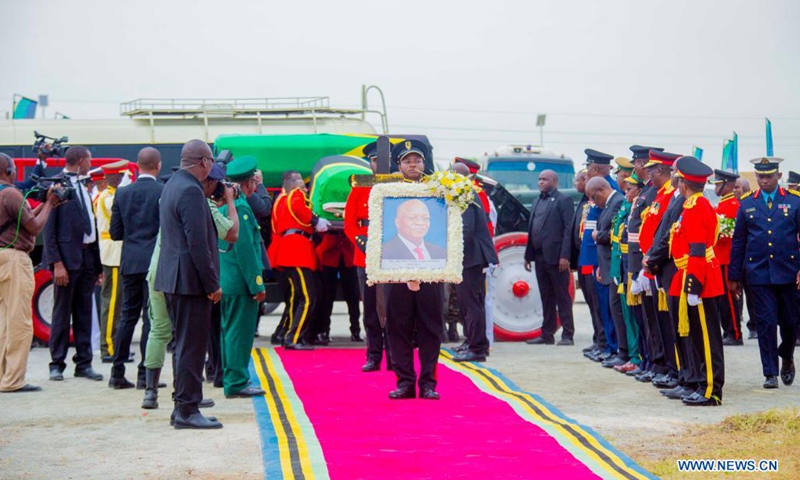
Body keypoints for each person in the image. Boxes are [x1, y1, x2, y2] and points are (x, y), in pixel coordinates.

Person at [142, 163, 236, 410]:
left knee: (160, 331)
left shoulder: (170, 190)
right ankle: (185, 398)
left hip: (159, 271)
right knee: (188, 341)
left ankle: (151, 391)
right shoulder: (197, 199)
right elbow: (229, 234)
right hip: (185, 278)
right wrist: (231, 201)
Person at [155, 140, 222, 429]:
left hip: (174, 276)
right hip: (190, 280)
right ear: (204, 162)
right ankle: (187, 409)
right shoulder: (191, 191)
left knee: (183, 345)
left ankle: (182, 405)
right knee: (192, 346)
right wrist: (212, 283)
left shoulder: (173, 185)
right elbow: (198, 244)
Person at [729, 157, 799, 390]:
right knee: (766, 323)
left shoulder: (794, 201)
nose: (764, 180)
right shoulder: (747, 203)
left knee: (790, 323)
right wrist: (733, 277)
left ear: (778, 176)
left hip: (788, 272)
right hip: (758, 273)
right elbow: (738, 242)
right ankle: (769, 372)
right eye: (760, 176)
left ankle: (786, 355)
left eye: (769, 176)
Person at [384, 139, 445, 400]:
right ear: (399, 165)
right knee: (398, 327)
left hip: (431, 270)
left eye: (417, 160)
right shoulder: (388, 192)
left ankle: (428, 382)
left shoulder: (439, 191)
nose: (413, 165)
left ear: (424, 163)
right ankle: (405, 382)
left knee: (431, 327)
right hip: (396, 270)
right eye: (407, 161)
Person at [0, 153, 61, 393]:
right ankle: (14, 380)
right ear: (9, 170)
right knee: (19, 322)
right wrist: (49, 204)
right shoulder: (12, 194)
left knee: (3, 322)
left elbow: (21, 222)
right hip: (14, 260)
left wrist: (39, 207)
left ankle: (4, 375)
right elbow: (34, 228)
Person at [43, 146, 104, 382]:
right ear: (80, 161)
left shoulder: (84, 185)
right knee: (62, 312)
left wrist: (97, 266)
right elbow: (49, 230)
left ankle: (84, 363)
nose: (91, 164)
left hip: (88, 257)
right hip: (67, 260)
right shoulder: (56, 185)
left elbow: (92, 226)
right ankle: (56, 364)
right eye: (89, 160)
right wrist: (57, 263)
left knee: (83, 312)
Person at [668, 156, 725, 406]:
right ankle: (702, 384)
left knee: (707, 338)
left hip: (700, 278)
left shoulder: (698, 208)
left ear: (684, 184)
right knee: (697, 337)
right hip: (692, 273)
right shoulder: (691, 206)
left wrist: (693, 286)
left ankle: (711, 390)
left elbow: (698, 250)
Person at [108, 149, 163, 390]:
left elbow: (115, 233)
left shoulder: (122, 193)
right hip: (153, 262)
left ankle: (116, 372)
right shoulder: (163, 191)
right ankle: (145, 374)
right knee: (150, 318)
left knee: (126, 317)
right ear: (158, 166)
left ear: (138, 166)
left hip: (129, 261)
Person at [218, 156, 267, 398]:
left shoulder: (224, 204)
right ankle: (237, 381)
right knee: (239, 334)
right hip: (239, 283)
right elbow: (246, 251)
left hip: (226, 281)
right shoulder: (243, 209)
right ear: (248, 183)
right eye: (255, 183)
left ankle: (230, 376)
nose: (256, 187)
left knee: (228, 332)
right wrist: (257, 283)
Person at [344, 145, 393, 372]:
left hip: (394, 252)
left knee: (395, 307)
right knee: (371, 307)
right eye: (374, 160)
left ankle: (394, 355)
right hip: (365, 252)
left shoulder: (399, 184)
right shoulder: (360, 185)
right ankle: (373, 355)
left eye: (382, 159)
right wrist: (361, 242)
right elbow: (350, 222)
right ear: (369, 162)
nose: (378, 164)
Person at [273, 175, 329, 349]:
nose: (305, 191)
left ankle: (288, 335)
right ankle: (293, 338)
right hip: (297, 251)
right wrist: (315, 220)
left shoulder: (282, 201)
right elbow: (299, 206)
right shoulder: (296, 195)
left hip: (292, 250)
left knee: (299, 298)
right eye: (303, 188)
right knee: (308, 298)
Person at [452, 162, 498, 362]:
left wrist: (451, 252)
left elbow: (466, 230)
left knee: (472, 304)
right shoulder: (463, 193)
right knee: (468, 304)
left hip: (471, 257)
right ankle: (473, 342)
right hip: (468, 257)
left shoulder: (466, 194)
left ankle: (477, 348)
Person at [524, 169, 575, 346]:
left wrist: (565, 256)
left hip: (557, 258)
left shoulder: (564, 200)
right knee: (545, 296)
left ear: (554, 181)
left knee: (562, 296)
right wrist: (527, 255)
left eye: (545, 179)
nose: (541, 182)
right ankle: (547, 334)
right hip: (539, 256)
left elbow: (569, 230)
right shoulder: (537, 201)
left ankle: (568, 334)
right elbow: (532, 230)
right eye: (539, 179)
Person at [587, 177, 627, 368]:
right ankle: (616, 349)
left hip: (616, 266)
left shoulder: (617, 202)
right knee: (612, 311)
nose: (594, 202)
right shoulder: (609, 204)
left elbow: (615, 234)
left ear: (602, 189)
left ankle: (621, 350)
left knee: (617, 311)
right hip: (608, 266)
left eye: (594, 197)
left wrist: (597, 236)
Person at [582, 149, 617, 362]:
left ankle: (609, 345)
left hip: (601, 257)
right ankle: (603, 342)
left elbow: (604, 229)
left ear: (594, 169)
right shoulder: (599, 188)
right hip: (594, 256)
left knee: (607, 306)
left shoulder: (607, 190)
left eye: (588, 168)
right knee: (599, 306)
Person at [95, 160, 128, 364]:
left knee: (117, 302)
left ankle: (114, 344)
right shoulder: (108, 198)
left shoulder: (110, 195)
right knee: (112, 302)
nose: (122, 179)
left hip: (116, 253)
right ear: (113, 177)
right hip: (113, 254)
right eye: (120, 176)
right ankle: (108, 346)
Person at [570, 170, 605, 355]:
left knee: (597, 302)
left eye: (579, 180)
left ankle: (603, 341)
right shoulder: (584, 203)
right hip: (583, 258)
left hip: (593, 259)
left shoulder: (597, 204)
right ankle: (597, 338)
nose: (576, 183)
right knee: (591, 302)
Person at [269, 170, 303, 346]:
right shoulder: (285, 199)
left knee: (293, 297)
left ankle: (282, 332)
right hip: (285, 250)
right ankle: (283, 332)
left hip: (281, 250)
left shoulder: (282, 199)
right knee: (292, 298)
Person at [710, 169, 744, 346]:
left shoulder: (732, 205)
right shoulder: (722, 204)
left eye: (718, 184)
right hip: (719, 257)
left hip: (727, 257)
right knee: (722, 298)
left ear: (728, 185)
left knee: (729, 298)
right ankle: (728, 330)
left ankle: (734, 332)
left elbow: (730, 234)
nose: (715, 187)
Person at [382, 199, 447, 261]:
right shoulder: (384, 252)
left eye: (425, 218)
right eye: (412, 218)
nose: (420, 223)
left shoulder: (441, 253)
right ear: (398, 222)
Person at [733, 177, 757, 340]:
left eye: (738, 188)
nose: (735, 190)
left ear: (746, 189)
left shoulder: (750, 204)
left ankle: (754, 325)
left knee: (752, 295)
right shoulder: (731, 205)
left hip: (751, 259)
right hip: (738, 258)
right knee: (737, 293)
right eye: (734, 187)